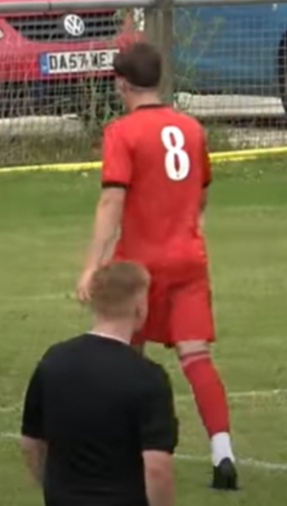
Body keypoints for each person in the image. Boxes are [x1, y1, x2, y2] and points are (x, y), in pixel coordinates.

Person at [75, 41, 238, 490]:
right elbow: (202, 191)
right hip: (188, 259)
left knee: (125, 356)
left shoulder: (122, 133)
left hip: (140, 264)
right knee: (195, 355)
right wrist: (190, 225)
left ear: (120, 84)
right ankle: (222, 451)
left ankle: (126, 449)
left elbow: (112, 199)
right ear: (160, 79)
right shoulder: (190, 127)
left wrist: (92, 265)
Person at [21, 261, 178, 506]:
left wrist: (53, 489)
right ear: (140, 308)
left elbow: (32, 442)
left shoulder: (54, 361)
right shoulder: (147, 377)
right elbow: (157, 467)